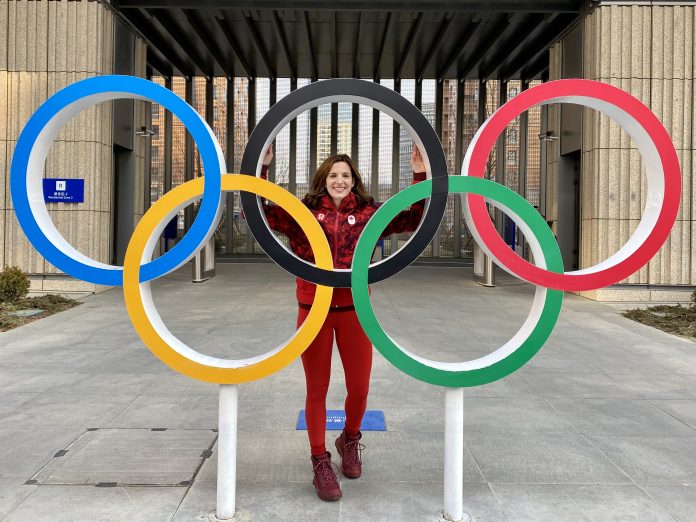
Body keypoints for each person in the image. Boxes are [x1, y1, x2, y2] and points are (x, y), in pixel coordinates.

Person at [260, 144, 427, 501]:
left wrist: (419, 174)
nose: (340, 181)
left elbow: (413, 217)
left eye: (346, 176)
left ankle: (349, 439)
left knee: (360, 388)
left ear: (355, 182)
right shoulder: (301, 213)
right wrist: (263, 168)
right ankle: (320, 459)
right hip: (313, 309)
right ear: (323, 180)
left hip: (355, 310)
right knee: (317, 389)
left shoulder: (368, 213)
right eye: (333, 175)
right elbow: (259, 211)